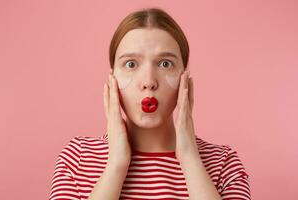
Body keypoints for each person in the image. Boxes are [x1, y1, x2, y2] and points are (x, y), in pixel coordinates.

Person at [49, 7, 251, 200]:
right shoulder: (77, 158)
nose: (148, 82)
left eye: (165, 64)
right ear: (112, 80)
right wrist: (117, 163)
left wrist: (190, 159)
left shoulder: (224, 164)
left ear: (184, 79)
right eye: (131, 64)